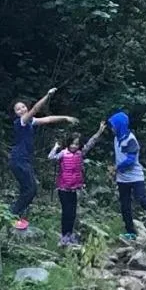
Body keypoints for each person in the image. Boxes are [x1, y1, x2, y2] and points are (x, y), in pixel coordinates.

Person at [9, 89, 78, 230]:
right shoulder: (21, 122)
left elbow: (48, 119)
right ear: (15, 113)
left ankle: (17, 217)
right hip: (19, 160)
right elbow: (35, 109)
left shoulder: (30, 122)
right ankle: (12, 215)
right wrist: (47, 96)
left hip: (24, 160)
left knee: (26, 189)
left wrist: (65, 118)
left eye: (23, 107)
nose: (21, 109)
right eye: (18, 109)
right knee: (31, 189)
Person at [107, 111, 146, 241]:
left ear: (120, 125)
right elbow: (118, 157)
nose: (111, 128)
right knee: (124, 204)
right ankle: (130, 231)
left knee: (142, 199)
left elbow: (130, 160)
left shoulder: (131, 140)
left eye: (113, 125)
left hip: (135, 177)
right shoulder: (116, 138)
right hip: (122, 178)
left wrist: (117, 168)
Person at [48, 125, 103, 246]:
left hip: (74, 189)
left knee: (72, 213)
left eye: (76, 144)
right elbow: (51, 158)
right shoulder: (63, 153)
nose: (74, 146)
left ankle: (70, 234)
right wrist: (55, 147)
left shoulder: (79, 154)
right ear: (68, 143)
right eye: (72, 143)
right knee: (66, 212)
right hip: (63, 189)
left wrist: (99, 132)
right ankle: (64, 236)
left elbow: (90, 144)